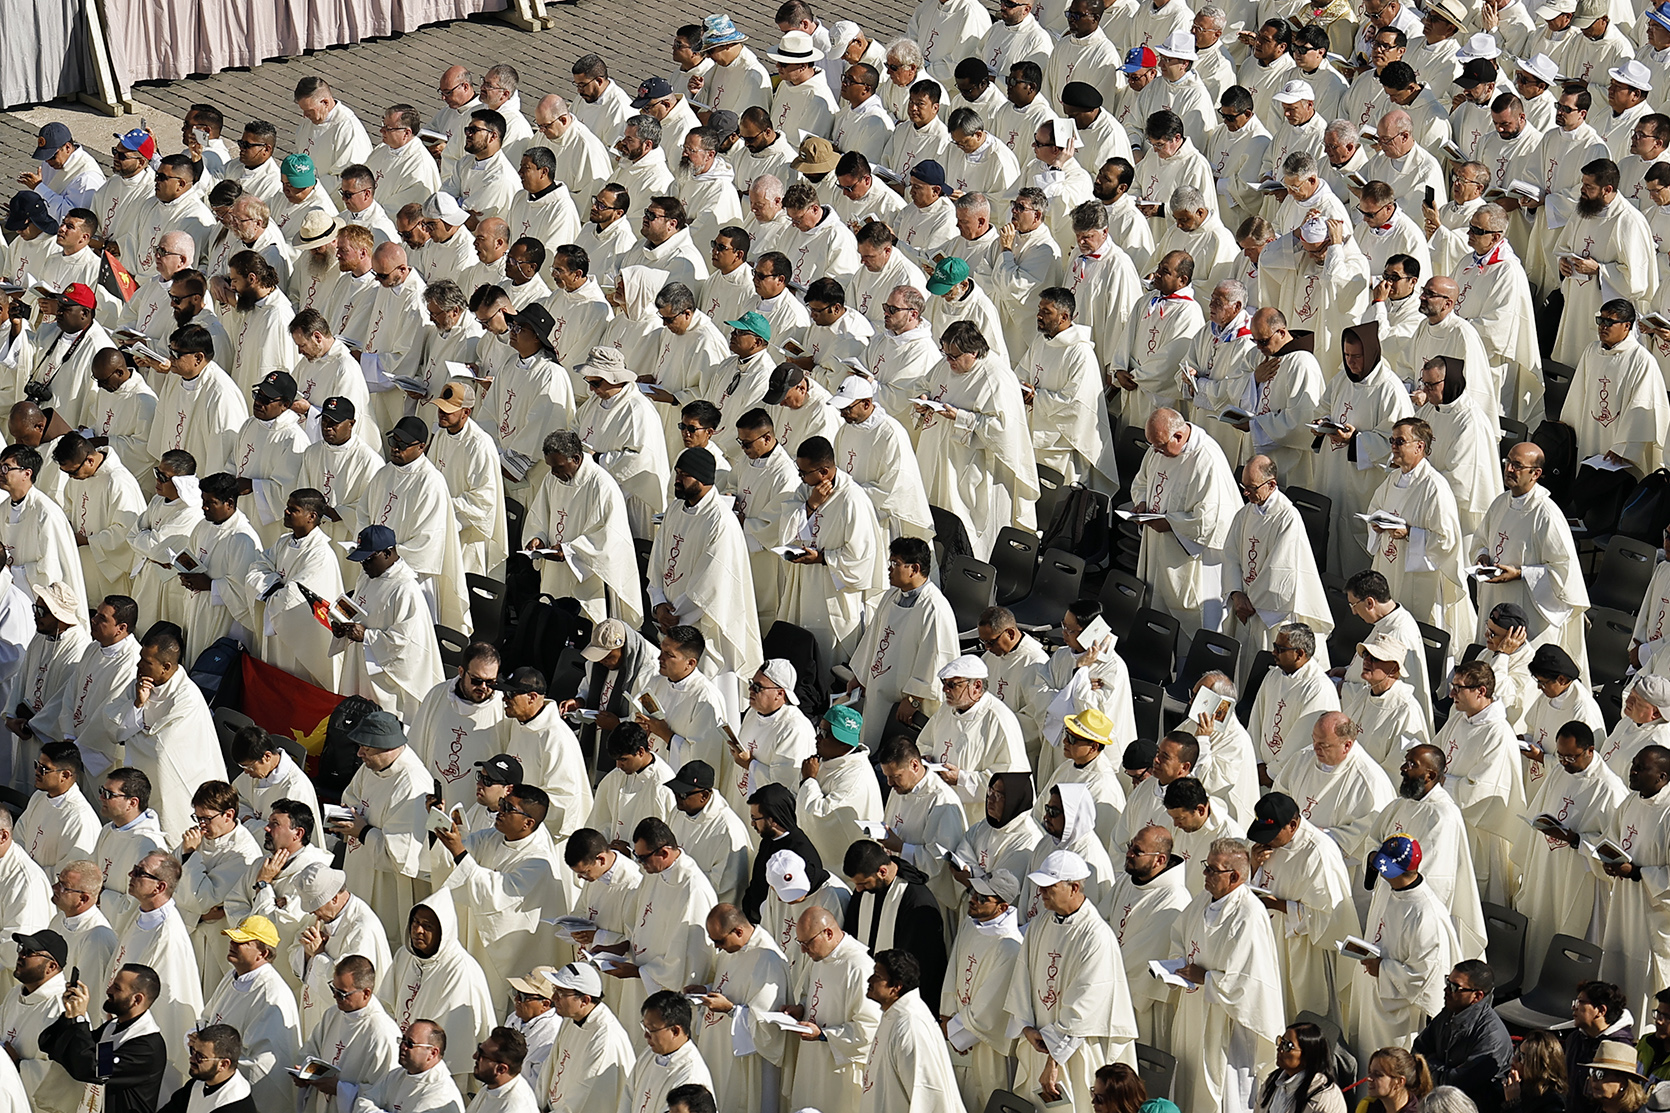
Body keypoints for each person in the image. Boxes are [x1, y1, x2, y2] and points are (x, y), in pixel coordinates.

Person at [1168, 838, 1285, 1113]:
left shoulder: (1249, 914)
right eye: (1206, 866)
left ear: (1234, 876)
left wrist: (1205, 978)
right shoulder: (1203, 900)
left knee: (1226, 1094)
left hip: (1229, 1023)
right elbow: (1179, 934)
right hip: (1194, 1010)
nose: (1205, 873)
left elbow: (1249, 982)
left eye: (1212, 869)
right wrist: (1176, 963)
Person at [1515, 719, 1625, 983]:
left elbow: (1615, 848)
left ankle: (1572, 995)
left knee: (1574, 933)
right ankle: (1534, 985)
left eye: (1571, 757)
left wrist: (1576, 840)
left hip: (1581, 877)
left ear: (1590, 750)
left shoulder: (1610, 789)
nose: (1564, 762)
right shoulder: (1560, 771)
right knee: (1542, 925)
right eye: (1560, 755)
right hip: (1547, 867)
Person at [1246, 793, 1360, 1020]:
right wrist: (1253, 864)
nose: (1267, 840)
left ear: (1292, 825)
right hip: (1270, 938)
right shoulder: (1264, 844)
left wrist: (1279, 905)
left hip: (1305, 949)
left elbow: (1330, 917)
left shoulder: (1318, 852)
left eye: (1272, 834)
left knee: (1304, 1012)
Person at [1129, 406, 1240, 637]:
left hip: (1190, 557)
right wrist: (1142, 502)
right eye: (1153, 446)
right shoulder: (1158, 447)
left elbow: (1213, 518)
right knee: (1155, 608)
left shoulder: (1207, 459)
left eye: (1160, 446)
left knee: (1190, 623)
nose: (1156, 452)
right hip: (1156, 546)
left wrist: (1170, 523)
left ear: (1178, 436)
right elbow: (1142, 481)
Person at [108, 627, 222, 842]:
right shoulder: (139, 684)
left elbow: (163, 750)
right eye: (141, 659)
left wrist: (134, 731)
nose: (138, 665)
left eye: (146, 662)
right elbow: (114, 729)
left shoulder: (187, 697)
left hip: (181, 780)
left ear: (166, 667)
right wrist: (138, 705)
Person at [379, 892, 494, 1092]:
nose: (418, 930)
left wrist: (416, 1054)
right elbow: (386, 1005)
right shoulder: (406, 956)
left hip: (434, 1069)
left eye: (427, 926)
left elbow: (448, 1035)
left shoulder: (459, 970)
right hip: (403, 1055)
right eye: (415, 922)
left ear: (443, 932)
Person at [331, 526, 445, 724]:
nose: (364, 566)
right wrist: (343, 625)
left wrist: (366, 636)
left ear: (387, 553)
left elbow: (406, 642)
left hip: (386, 680)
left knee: (379, 727)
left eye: (368, 559)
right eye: (361, 561)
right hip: (360, 664)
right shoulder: (367, 577)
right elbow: (358, 611)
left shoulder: (405, 589)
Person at [689, 903, 789, 1113]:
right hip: (719, 1046)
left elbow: (767, 1024)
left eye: (719, 941)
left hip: (744, 1059)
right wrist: (706, 990)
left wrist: (731, 1010)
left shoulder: (768, 960)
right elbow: (732, 985)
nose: (717, 947)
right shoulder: (731, 948)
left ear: (739, 931)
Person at [196, 914, 301, 1108]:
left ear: (263, 953)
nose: (232, 944)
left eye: (241, 942)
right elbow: (207, 1018)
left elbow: (263, 1065)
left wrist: (214, 1062)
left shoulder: (272, 995)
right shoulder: (234, 976)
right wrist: (198, 1039)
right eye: (233, 939)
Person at [785, 905, 881, 1112]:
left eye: (807, 943)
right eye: (800, 943)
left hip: (839, 1070)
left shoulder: (859, 967)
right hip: (811, 1062)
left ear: (828, 933)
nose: (803, 950)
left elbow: (869, 1028)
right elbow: (810, 994)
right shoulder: (819, 958)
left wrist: (823, 1035)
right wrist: (801, 1008)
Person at [37, 963, 167, 1113]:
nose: (108, 990)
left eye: (117, 988)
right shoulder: (113, 1027)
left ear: (137, 999)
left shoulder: (147, 1046)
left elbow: (93, 1069)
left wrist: (80, 1019)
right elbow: (52, 1045)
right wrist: (69, 1016)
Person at [858, 948, 957, 1112]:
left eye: (877, 976)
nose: (870, 980)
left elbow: (925, 1094)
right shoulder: (893, 1014)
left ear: (896, 987)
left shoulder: (911, 1026)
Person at [1412, 959, 1512, 1106]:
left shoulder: (1491, 1037)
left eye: (1454, 987)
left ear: (1477, 996)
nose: (1446, 990)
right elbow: (1418, 1050)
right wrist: (1440, 1069)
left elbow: (1458, 1083)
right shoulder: (1450, 1012)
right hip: (1438, 1096)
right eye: (1447, 982)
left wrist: (1429, 1065)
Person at [538, 962, 635, 1113]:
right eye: (555, 989)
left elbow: (586, 1100)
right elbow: (551, 1066)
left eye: (561, 992)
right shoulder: (572, 1019)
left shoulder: (605, 1038)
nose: (553, 997)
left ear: (585, 1000)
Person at [14, 741, 99, 875]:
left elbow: (71, 871)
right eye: (37, 765)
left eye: (44, 769)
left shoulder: (79, 818)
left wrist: (31, 876)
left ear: (65, 775)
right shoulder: (39, 796)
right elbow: (19, 835)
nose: (37, 771)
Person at [619, 992, 713, 1113]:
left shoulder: (690, 1077)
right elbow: (628, 1095)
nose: (646, 1035)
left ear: (675, 1031)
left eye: (651, 1029)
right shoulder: (650, 1053)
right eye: (645, 1027)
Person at [350, 1017, 466, 1113]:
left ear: (432, 1053)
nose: (402, 1046)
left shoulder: (440, 1093)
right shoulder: (396, 1075)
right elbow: (364, 1100)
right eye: (403, 1040)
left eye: (410, 1043)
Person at [1257, 1022, 1347, 1113]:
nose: (1279, 1049)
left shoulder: (1326, 1097)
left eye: (1287, 1046)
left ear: (1308, 1055)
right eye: (1281, 1041)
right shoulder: (1272, 1082)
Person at [1578, 1043, 1651, 1113]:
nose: (1593, 1079)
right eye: (1592, 1071)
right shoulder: (1591, 1108)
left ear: (1623, 1083)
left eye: (1600, 1074)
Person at [1356, 1048, 1433, 1113]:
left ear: (1399, 1082)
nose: (1369, 1078)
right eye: (1370, 1072)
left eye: (1378, 1074)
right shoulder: (1369, 1107)